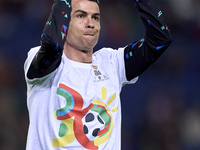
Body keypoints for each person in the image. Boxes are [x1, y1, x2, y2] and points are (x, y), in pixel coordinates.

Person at [24, 0, 172, 149]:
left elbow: (160, 40)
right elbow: (53, 44)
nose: (91, 23)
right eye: (81, 16)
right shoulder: (43, 62)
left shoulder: (112, 63)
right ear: (64, 22)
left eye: (95, 17)